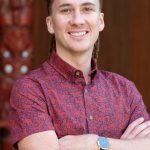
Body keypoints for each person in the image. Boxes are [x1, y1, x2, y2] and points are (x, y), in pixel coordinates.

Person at [9, 0, 150, 149]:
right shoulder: (30, 90)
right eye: (66, 10)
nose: (77, 20)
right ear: (50, 24)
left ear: (100, 21)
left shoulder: (125, 90)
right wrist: (127, 146)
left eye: (87, 9)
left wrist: (97, 144)